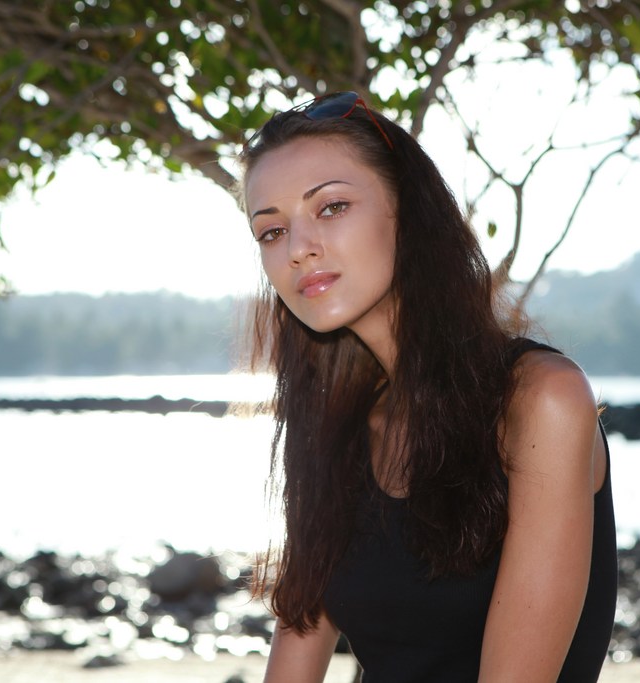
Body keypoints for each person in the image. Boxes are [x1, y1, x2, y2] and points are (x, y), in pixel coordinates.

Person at [238, 91, 616, 683]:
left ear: (409, 211)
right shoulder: (334, 425)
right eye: (271, 231)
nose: (297, 248)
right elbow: (297, 646)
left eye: (331, 207)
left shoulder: (542, 400)